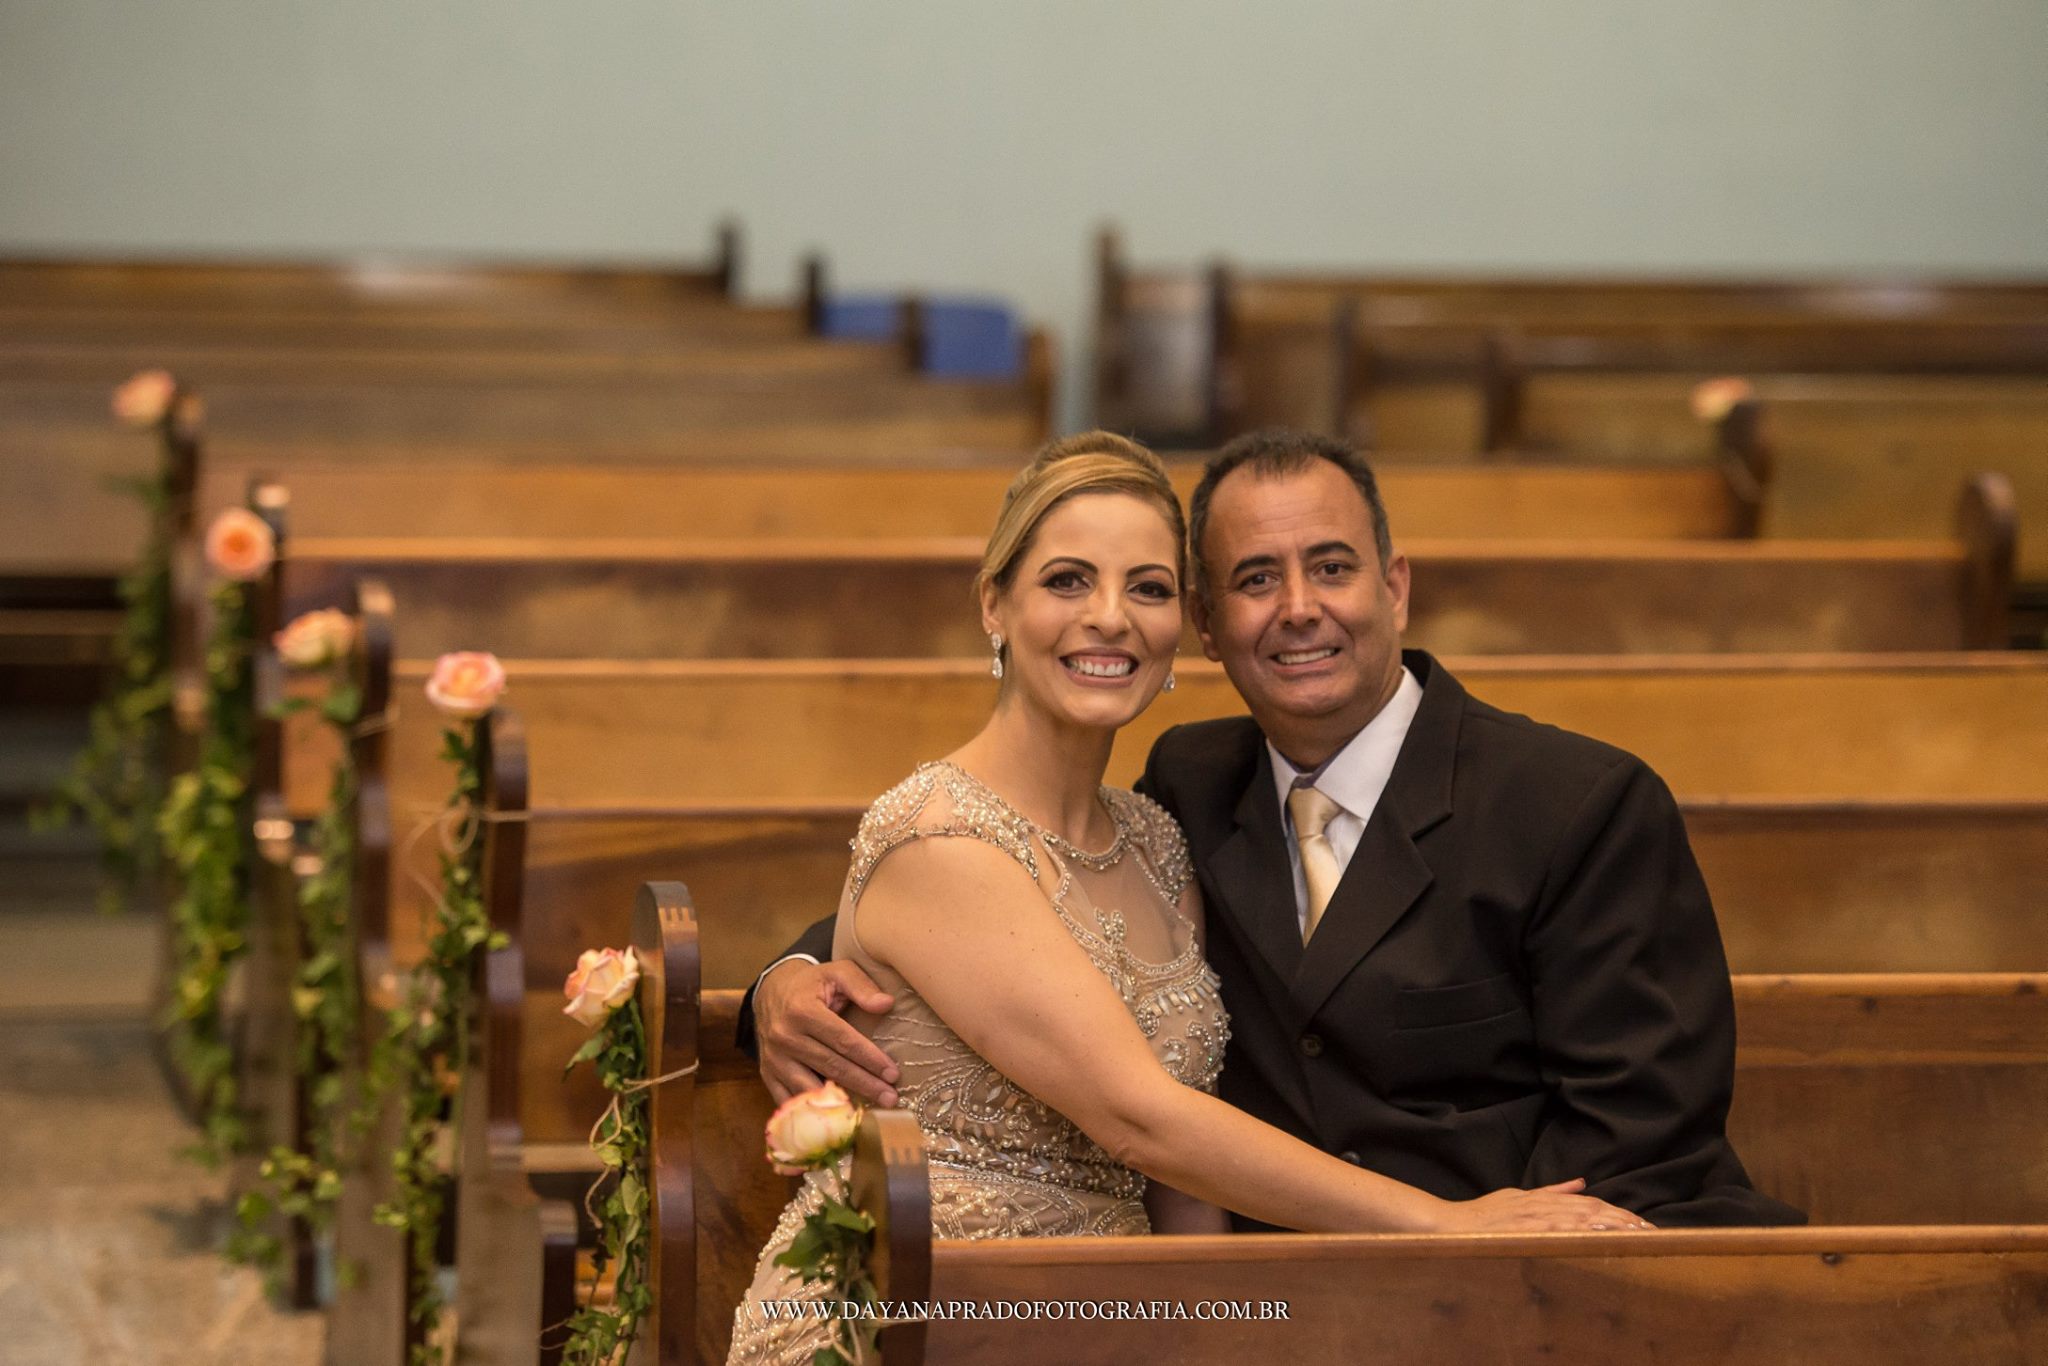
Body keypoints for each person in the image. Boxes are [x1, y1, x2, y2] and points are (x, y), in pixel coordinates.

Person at [727, 433, 1643, 1365]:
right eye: (1068, 581)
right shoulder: (941, 839)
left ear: (1182, 624)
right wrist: (1449, 1225)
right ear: (995, 604)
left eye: (1148, 587)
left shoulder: (1161, 832)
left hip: (1123, 1319)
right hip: (925, 1317)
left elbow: (1176, 1140)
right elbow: (1141, 1117)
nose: (1109, 618)